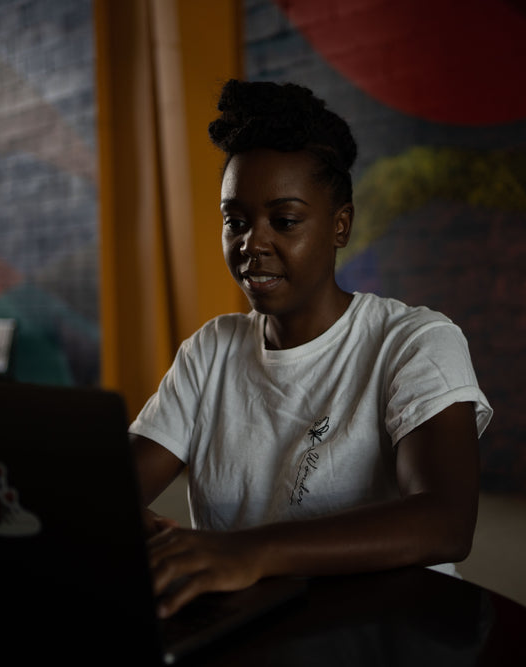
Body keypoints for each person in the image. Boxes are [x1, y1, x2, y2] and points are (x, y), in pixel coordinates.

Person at [129, 79, 492, 618]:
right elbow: (114, 484)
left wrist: (249, 551)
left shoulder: (414, 341)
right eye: (236, 221)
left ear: (339, 226)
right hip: (256, 625)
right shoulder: (211, 350)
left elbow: (445, 521)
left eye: (286, 220)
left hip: (390, 624)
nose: (253, 242)